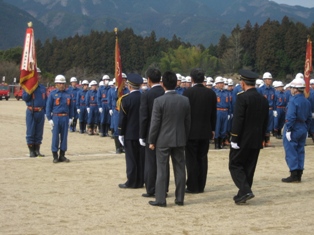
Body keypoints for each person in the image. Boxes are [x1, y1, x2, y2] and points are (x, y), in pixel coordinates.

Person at [148, 71, 191, 207]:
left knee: (162, 169)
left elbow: (155, 123)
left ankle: (161, 199)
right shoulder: (184, 100)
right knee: (180, 169)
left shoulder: (159, 101)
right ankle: (180, 198)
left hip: (162, 139)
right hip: (179, 138)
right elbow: (187, 122)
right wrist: (185, 136)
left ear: (163, 84)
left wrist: (152, 140)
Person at [229, 69, 269, 205]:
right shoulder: (263, 100)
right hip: (257, 138)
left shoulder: (242, 97)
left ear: (243, 83)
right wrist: (264, 137)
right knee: (250, 166)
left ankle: (245, 190)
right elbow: (265, 121)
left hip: (243, 138)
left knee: (235, 164)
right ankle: (243, 193)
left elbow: (238, 119)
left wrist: (234, 137)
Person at [183, 68, 216, 194]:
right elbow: (214, 113)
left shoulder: (188, 93)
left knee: (191, 159)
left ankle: (192, 185)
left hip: (191, 131)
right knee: (202, 158)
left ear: (191, 79)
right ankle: (201, 185)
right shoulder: (211, 93)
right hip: (205, 130)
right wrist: (213, 128)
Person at [139, 68, 167, 197]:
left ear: (148, 80)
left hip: (151, 132)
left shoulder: (146, 95)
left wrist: (142, 135)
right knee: (163, 162)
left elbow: (144, 117)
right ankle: (163, 189)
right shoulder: (165, 92)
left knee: (151, 162)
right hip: (166, 132)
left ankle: (151, 188)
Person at [282, 76, 312, 182]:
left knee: (291, 151)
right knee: (300, 150)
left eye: (292, 88)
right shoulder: (306, 101)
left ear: (295, 89)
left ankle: (294, 173)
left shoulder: (293, 101)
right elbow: (309, 117)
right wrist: (307, 128)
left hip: (294, 127)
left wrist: (288, 129)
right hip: (303, 126)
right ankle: (299, 173)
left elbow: (290, 116)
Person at [118, 74, 144, 189]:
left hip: (130, 133)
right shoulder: (145, 97)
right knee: (141, 158)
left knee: (131, 159)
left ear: (129, 86)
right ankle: (141, 180)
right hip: (142, 133)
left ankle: (132, 181)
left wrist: (121, 133)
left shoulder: (126, 99)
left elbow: (123, 118)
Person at [46, 75, 74, 163]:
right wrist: (49, 119)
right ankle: (55, 155)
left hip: (65, 117)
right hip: (56, 117)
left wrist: (71, 118)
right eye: (60, 83)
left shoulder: (68, 94)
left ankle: (62, 155)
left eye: (63, 83)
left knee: (64, 137)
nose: (62, 85)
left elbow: (71, 107)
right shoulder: (52, 94)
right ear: (56, 84)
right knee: (55, 137)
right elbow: (48, 107)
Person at [22, 67, 47, 157]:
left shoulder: (42, 88)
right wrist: (30, 90)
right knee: (31, 131)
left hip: (40, 112)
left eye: (39, 74)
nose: (38, 76)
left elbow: (46, 100)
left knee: (39, 132)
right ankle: (31, 151)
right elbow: (25, 98)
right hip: (31, 111)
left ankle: (37, 150)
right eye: (36, 74)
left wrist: (46, 112)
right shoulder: (28, 87)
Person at [258, 72, 276, 147]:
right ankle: (261, 140)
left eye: (270, 79)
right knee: (262, 125)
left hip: (270, 109)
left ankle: (267, 140)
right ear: (264, 80)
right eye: (268, 79)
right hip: (263, 109)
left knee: (269, 125)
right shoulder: (260, 89)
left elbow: (274, 100)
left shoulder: (272, 90)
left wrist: (275, 109)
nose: (269, 80)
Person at [214, 76, 231, 149]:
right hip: (218, 111)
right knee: (217, 128)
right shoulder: (214, 92)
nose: (221, 84)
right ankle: (217, 144)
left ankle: (221, 142)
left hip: (225, 111)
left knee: (224, 128)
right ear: (216, 84)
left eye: (222, 83)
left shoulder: (226, 93)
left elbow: (229, 103)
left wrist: (229, 113)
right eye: (220, 83)